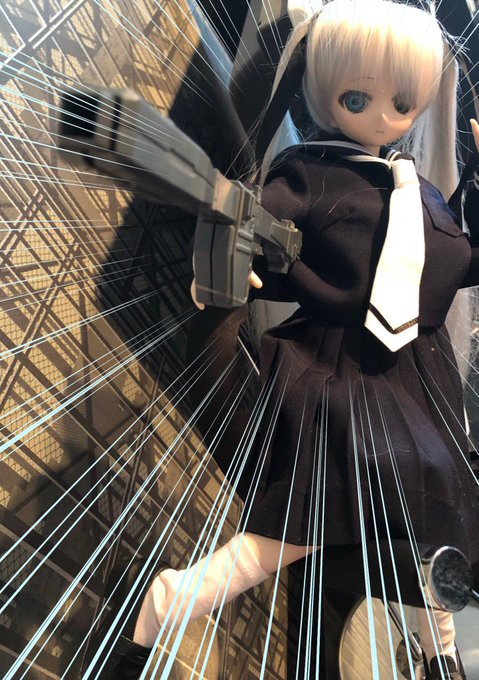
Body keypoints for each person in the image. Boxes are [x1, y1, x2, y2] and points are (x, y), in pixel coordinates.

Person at [88, 1, 479, 678]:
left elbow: (457, 263)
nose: (382, 117)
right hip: (336, 376)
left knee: (425, 522)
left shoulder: (423, 195)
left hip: (413, 383)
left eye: (403, 103)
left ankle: (439, 652)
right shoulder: (307, 174)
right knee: (308, 522)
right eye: (357, 98)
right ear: (325, 91)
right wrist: (229, 265)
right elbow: (258, 233)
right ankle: (176, 598)